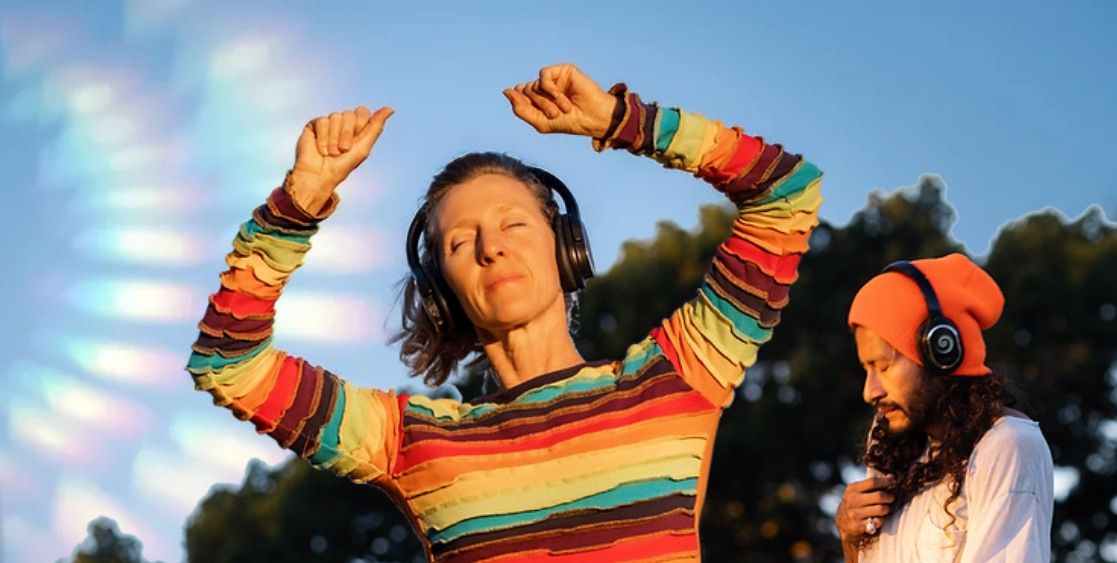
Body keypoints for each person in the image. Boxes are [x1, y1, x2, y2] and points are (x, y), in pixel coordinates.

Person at [186, 63, 822, 561]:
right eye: (461, 243)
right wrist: (297, 204)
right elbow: (229, 364)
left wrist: (621, 120)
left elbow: (786, 192)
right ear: (442, 291)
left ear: (563, 243)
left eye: (515, 223)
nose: (492, 247)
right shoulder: (411, 440)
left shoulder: (675, 376)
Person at [834, 254, 1054, 562]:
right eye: (866, 369)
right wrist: (850, 538)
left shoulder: (1008, 447)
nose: (870, 391)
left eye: (883, 366)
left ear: (940, 351)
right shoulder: (890, 443)